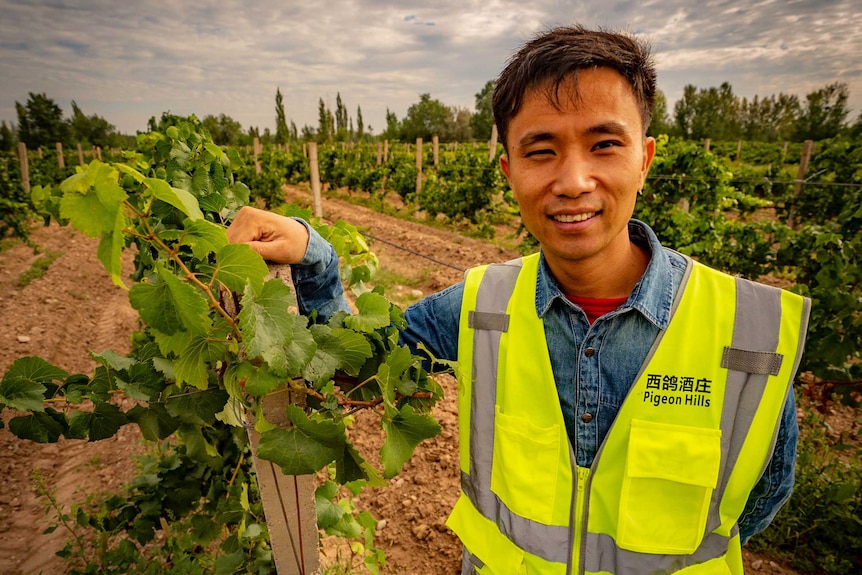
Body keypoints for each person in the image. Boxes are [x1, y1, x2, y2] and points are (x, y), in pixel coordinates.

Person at [227, 25, 810, 575]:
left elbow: (759, 498)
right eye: (541, 151)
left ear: (645, 159)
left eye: (605, 144)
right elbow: (358, 366)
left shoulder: (749, 335)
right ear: (508, 170)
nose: (574, 180)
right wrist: (315, 255)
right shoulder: (479, 306)